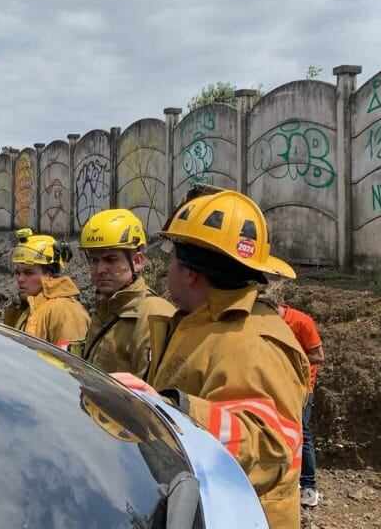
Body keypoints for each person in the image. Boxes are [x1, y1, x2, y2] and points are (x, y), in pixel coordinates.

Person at [111, 187, 310, 528]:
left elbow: (270, 447)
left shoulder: (251, 343)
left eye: (172, 256)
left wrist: (164, 407)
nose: (166, 267)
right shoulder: (199, 323)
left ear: (190, 272)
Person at [76, 209, 175, 375]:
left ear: (137, 262)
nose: (100, 269)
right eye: (94, 260)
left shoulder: (153, 315)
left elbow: (151, 395)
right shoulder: (104, 309)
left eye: (111, 260)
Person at [273, 301, 325, 508]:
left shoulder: (301, 321)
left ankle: (309, 486)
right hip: (279, 386)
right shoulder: (267, 322)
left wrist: (290, 361)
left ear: (275, 307)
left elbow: (318, 356)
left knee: (301, 432)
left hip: (302, 387)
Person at [2, 228, 90, 350]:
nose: (20, 279)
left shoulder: (66, 311)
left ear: (49, 275)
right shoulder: (31, 307)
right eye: (18, 273)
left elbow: (69, 365)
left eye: (28, 273)